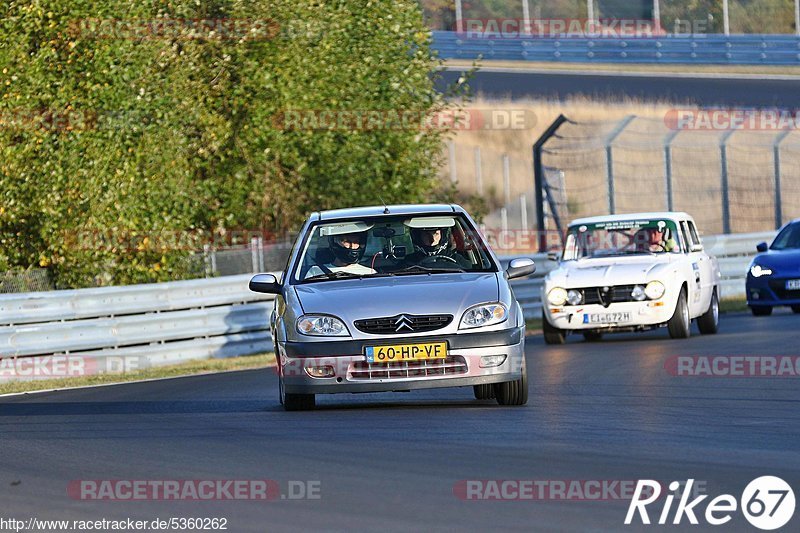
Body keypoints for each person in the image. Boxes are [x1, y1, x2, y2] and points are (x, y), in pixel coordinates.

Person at [304, 231, 376, 279]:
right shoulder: (315, 271)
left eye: (356, 242)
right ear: (335, 243)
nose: (352, 246)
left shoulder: (370, 273)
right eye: (347, 242)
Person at [405, 226, 471, 268]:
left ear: (443, 236)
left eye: (436, 234)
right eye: (427, 235)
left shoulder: (458, 260)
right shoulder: (408, 262)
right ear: (418, 237)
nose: (432, 239)